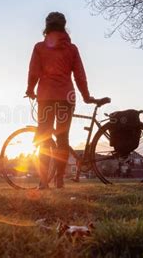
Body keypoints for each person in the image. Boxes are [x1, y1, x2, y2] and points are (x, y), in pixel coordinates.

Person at [26, 12, 94, 189]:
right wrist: (86, 96)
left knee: (43, 137)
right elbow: (80, 75)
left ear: (46, 27)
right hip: (66, 97)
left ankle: (43, 181)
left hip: (46, 97)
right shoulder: (72, 49)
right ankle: (59, 180)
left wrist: (30, 89)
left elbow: (34, 72)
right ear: (64, 27)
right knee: (63, 139)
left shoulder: (39, 48)